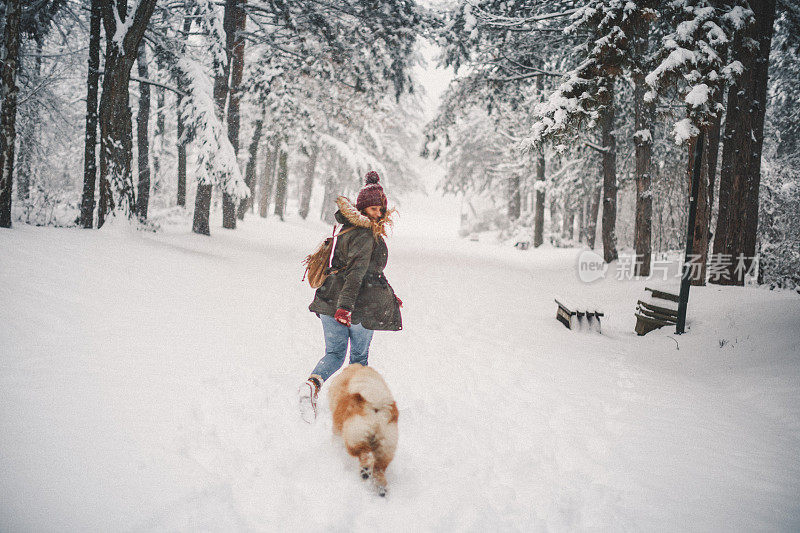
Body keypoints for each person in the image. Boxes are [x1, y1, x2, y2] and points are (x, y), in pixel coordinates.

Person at [299, 171, 403, 422]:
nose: (379, 213)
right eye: (374, 208)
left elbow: (366, 270)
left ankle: (312, 385)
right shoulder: (366, 235)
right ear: (363, 208)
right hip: (357, 306)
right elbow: (357, 275)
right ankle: (354, 409)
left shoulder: (346, 230)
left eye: (381, 208)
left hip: (328, 298)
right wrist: (345, 308)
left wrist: (390, 294)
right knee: (358, 360)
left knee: (334, 354)